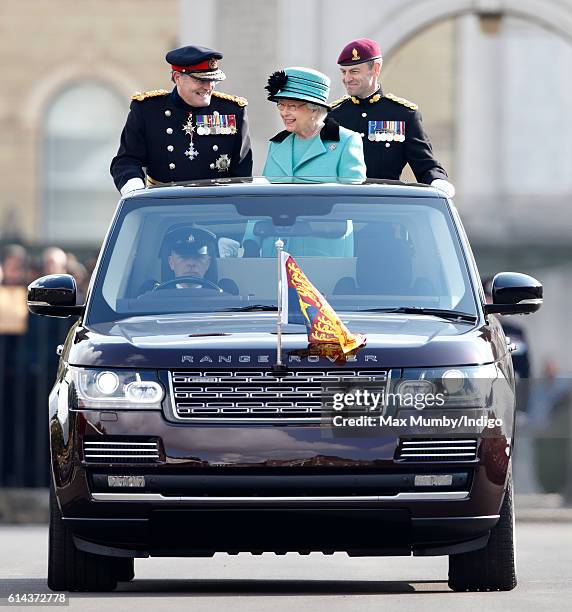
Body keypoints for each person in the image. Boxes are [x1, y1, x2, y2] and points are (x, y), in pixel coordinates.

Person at [110, 45, 253, 195]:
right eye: (200, 80)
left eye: (213, 80)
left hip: (216, 207)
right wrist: (136, 192)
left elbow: (242, 172)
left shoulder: (232, 110)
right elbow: (126, 161)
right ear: (178, 78)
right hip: (164, 207)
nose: (208, 87)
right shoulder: (147, 110)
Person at [329, 38, 455, 197]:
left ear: (375, 69)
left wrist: (438, 181)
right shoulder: (333, 115)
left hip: (384, 208)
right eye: (343, 72)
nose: (347, 78)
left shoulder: (403, 115)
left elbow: (425, 165)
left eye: (354, 71)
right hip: (341, 207)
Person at [262, 67, 366, 180]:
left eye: (292, 106)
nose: (284, 113)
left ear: (314, 109)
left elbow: (354, 195)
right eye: (281, 105)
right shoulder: (277, 144)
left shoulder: (346, 141)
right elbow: (265, 193)